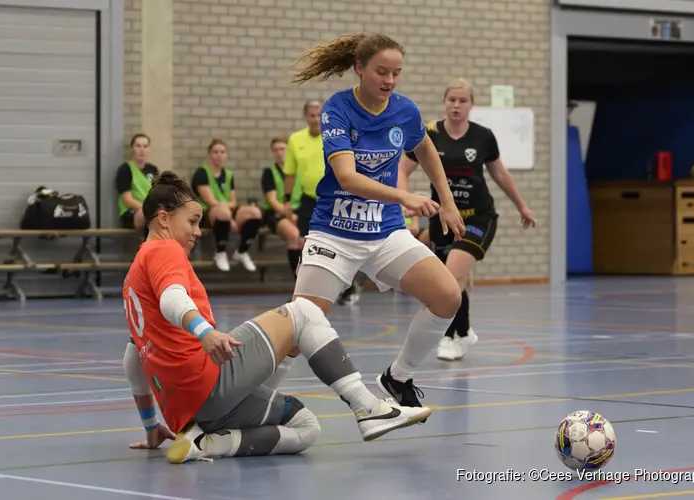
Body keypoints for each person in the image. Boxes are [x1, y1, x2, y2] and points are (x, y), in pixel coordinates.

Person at [121, 172, 431, 464]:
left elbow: (133, 358)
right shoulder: (164, 250)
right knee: (304, 312)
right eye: (192, 221)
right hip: (209, 385)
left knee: (306, 426)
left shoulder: (134, 275)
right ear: (163, 217)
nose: (198, 231)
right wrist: (205, 333)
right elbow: (172, 298)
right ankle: (368, 407)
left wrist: (151, 424)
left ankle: (205, 443)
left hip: (188, 412)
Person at [280, 32, 465, 410]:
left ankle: (398, 377)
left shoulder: (405, 111)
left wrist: (446, 200)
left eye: (396, 73)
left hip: (384, 232)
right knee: (298, 331)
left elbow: (424, 147)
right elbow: (347, 177)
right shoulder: (337, 108)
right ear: (360, 68)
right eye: (382, 71)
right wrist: (404, 195)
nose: (390, 81)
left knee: (448, 296)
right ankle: (249, 399)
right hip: (335, 233)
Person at [399, 78, 536, 361]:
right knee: (450, 282)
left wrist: (522, 205)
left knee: (452, 274)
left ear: (471, 104)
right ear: (444, 103)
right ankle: (465, 332)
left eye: (463, 101)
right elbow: (403, 169)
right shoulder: (430, 134)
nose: (457, 106)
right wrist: (405, 201)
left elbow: (500, 174)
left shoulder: (483, 136)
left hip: (478, 218)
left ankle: (451, 337)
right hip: (443, 220)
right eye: (452, 100)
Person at [281, 100, 363, 305]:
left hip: (335, 196)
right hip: (309, 199)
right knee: (302, 242)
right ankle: (302, 289)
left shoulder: (335, 135)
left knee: (340, 242)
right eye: (312, 115)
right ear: (306, 117)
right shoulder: (295, 140)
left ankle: (348, 286)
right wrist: (287, 199)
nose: (316, 119)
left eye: (319, 115)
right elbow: (290, 172)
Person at [191, 138, 262, 273]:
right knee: (223, 213)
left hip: (226, 211)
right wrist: (229, 217)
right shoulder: (202, 173)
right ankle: (220, 252)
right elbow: (210, 201)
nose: (219, 155)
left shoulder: (228, 174)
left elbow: (233, 201)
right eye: (215, 152)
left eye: (222, 152)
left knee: (254, 212)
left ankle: (242, 251)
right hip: (206, 213)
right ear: (209, 154)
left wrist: (229, 212)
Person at [260, 137, 303, 277]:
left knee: (307, 239)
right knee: (293, 234)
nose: (279, 153)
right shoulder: (269, 173)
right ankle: (297, 280)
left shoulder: (300, 170)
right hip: (275, 213)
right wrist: (288, 214)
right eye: (276, 150)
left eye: (282, 149)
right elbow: (272, 200)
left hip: (298, 211)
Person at [115, 133, 159, 232]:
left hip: (150, 211)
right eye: (138, 146)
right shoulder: (125, 169)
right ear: (132, 148)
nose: (142, 150)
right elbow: (127, 200)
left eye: (145, 146)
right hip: (132, 212)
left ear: (149, 149)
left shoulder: (153, 169)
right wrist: (149, 209)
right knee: (147, 216)